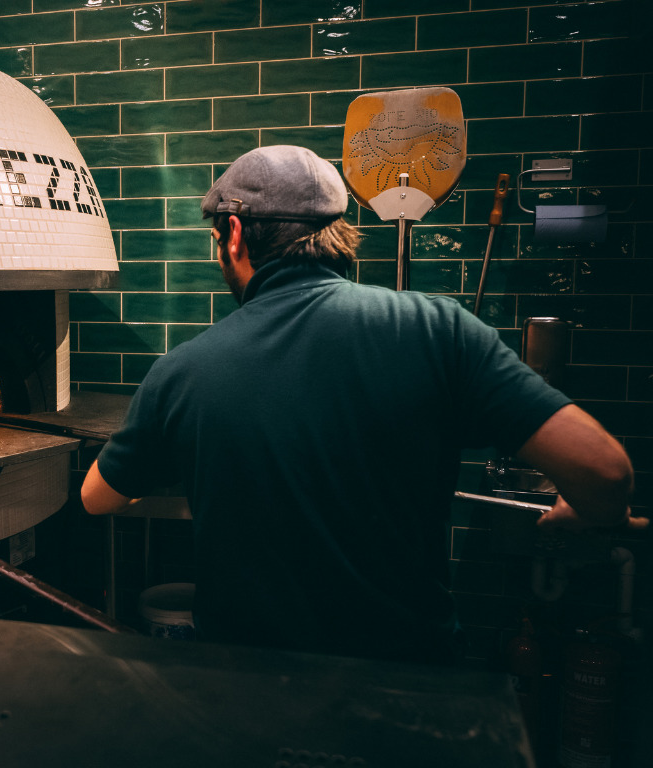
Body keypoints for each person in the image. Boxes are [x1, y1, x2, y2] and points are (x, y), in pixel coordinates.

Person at [81, 145, 633, 664]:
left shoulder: (183, 370)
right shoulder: (438, 330)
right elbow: (606, 471)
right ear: (336, 232)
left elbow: (98, 498)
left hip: (248, 687)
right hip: (410, 683)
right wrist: (587, 512)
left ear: (234, 234)